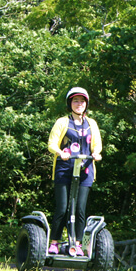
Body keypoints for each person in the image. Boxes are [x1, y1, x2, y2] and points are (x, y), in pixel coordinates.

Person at [47, 87, 103, 256]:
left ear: (86, 104)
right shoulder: (62, 122)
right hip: (65, 168)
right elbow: (52, 143)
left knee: (80, 208)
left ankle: (78, 244)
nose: (79, 104)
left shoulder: (91, 123)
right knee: (63, 207)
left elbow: (97, 144)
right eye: (75, 101)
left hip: (85, 169)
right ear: (70, 103)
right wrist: (60, 153)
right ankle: (55, 242)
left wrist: (96, 153)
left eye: (82, 101)